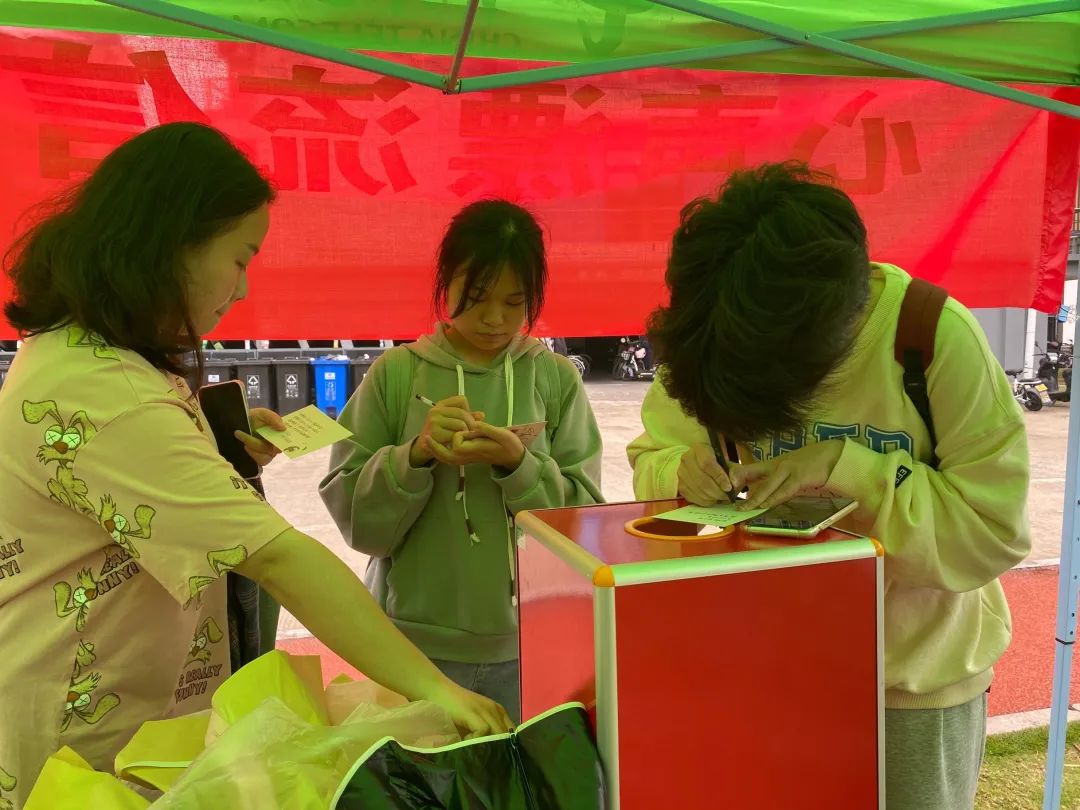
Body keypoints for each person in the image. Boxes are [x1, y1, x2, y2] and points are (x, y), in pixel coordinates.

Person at [0, 122, 510, 805]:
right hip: (84, 751)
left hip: (127, 721)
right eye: (240, 259)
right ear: (171, 244)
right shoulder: (109, 392)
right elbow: (281, 558)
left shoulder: (92, 358)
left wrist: (213, 451)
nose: (242, 290)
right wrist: (433, 688)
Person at [627, 163, 1029, 810]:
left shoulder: (929, 337)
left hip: (909, 687)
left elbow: (991, 532)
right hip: (763, 678)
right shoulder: (717, 332)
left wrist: (848, 469)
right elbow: (652, 454)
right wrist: (679, 468)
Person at [320, 199, 604, 723]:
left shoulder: (555, 378)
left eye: (514, 302)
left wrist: (520, 467)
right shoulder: (396, 374)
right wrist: (415, 456)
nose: (495, 319)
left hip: (530, 642)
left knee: (517, 770)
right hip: (413, 647)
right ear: (445, 282)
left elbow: (584, 525)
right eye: (476, 298)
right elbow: (357, 521)